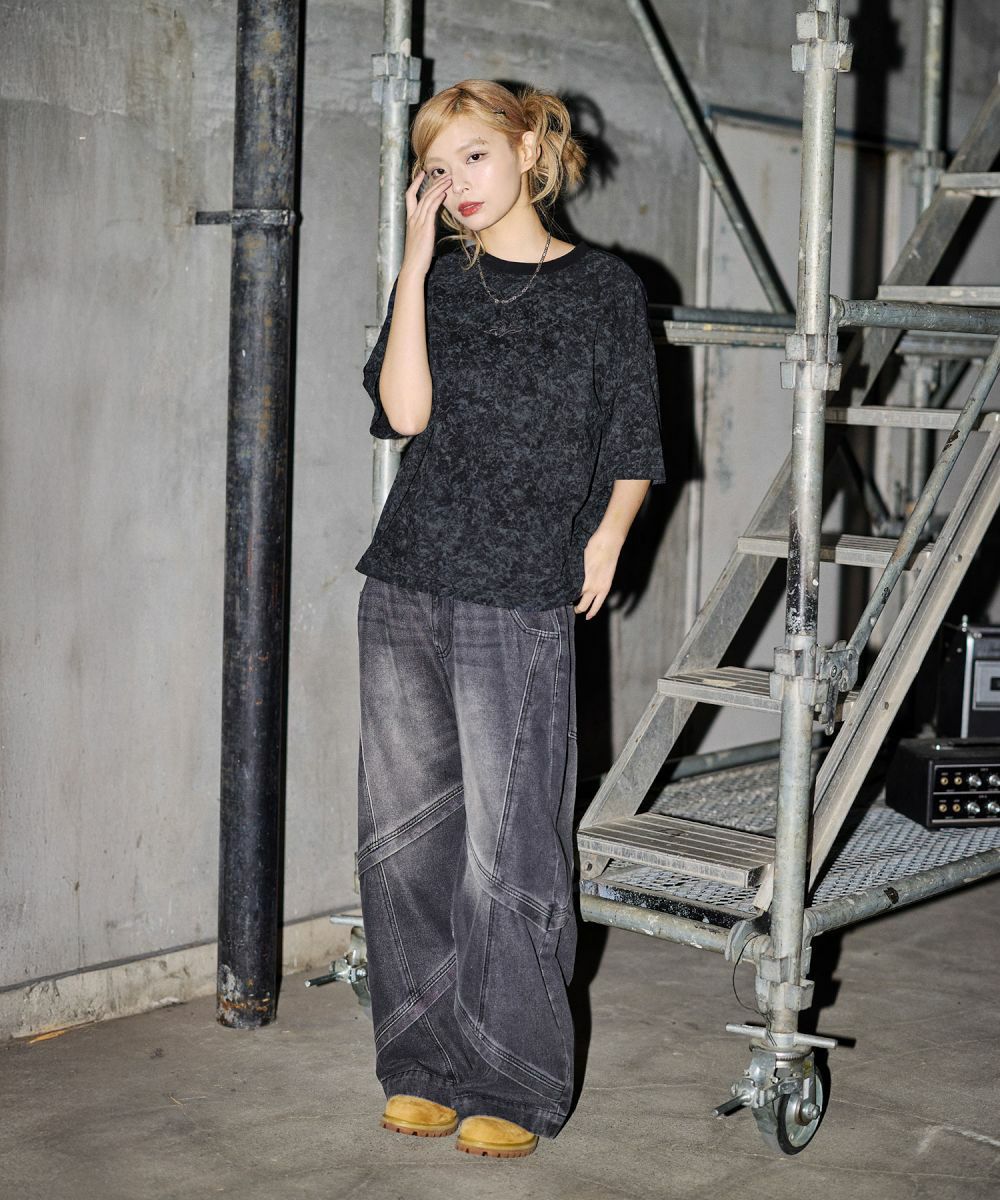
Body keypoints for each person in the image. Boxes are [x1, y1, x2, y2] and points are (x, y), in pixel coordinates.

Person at [355, 79, 666, 1159]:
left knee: (512, 845)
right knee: (406, 840)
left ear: (530, 148)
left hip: (522, 589)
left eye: (474, 158)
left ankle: (516, 1080)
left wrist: (608, 536)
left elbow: (634, 436)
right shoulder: (436, 282)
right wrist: (411, 264)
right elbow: (404, 413)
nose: (456, 186)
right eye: (436, 171)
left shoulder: (605, 289)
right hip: (406, 581)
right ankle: (422, 1065)